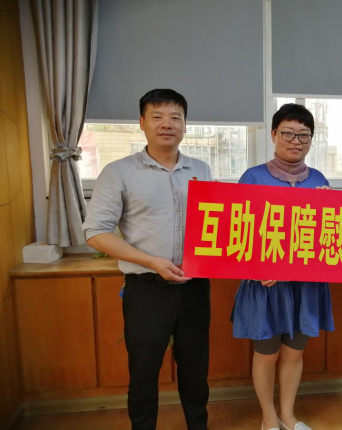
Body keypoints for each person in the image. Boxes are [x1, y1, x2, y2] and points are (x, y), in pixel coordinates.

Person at [82, 89, 213, 430]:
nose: (166, 124)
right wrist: (152, 261)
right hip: (146, 289)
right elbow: (96, 232)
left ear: (185, 125)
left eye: (175, 117)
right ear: (142, 122)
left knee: (196, 369)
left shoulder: (200, 169)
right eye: (157, 117)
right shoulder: (119, 172)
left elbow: (218, 224)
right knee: (143, 370)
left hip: (195, 287)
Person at [231, 104, 335, 430]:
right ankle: (268, 418)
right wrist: (258, 269)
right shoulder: (252, 177)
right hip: (266, 286)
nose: (296, 141)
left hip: (306, 285)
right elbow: (237, 232)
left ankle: (287, 416)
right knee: (267, 354)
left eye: (304, 135)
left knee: (294, 354)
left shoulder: (319, 181)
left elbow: (329, 238)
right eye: (288, 133)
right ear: (274, 135)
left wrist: (331, 206)